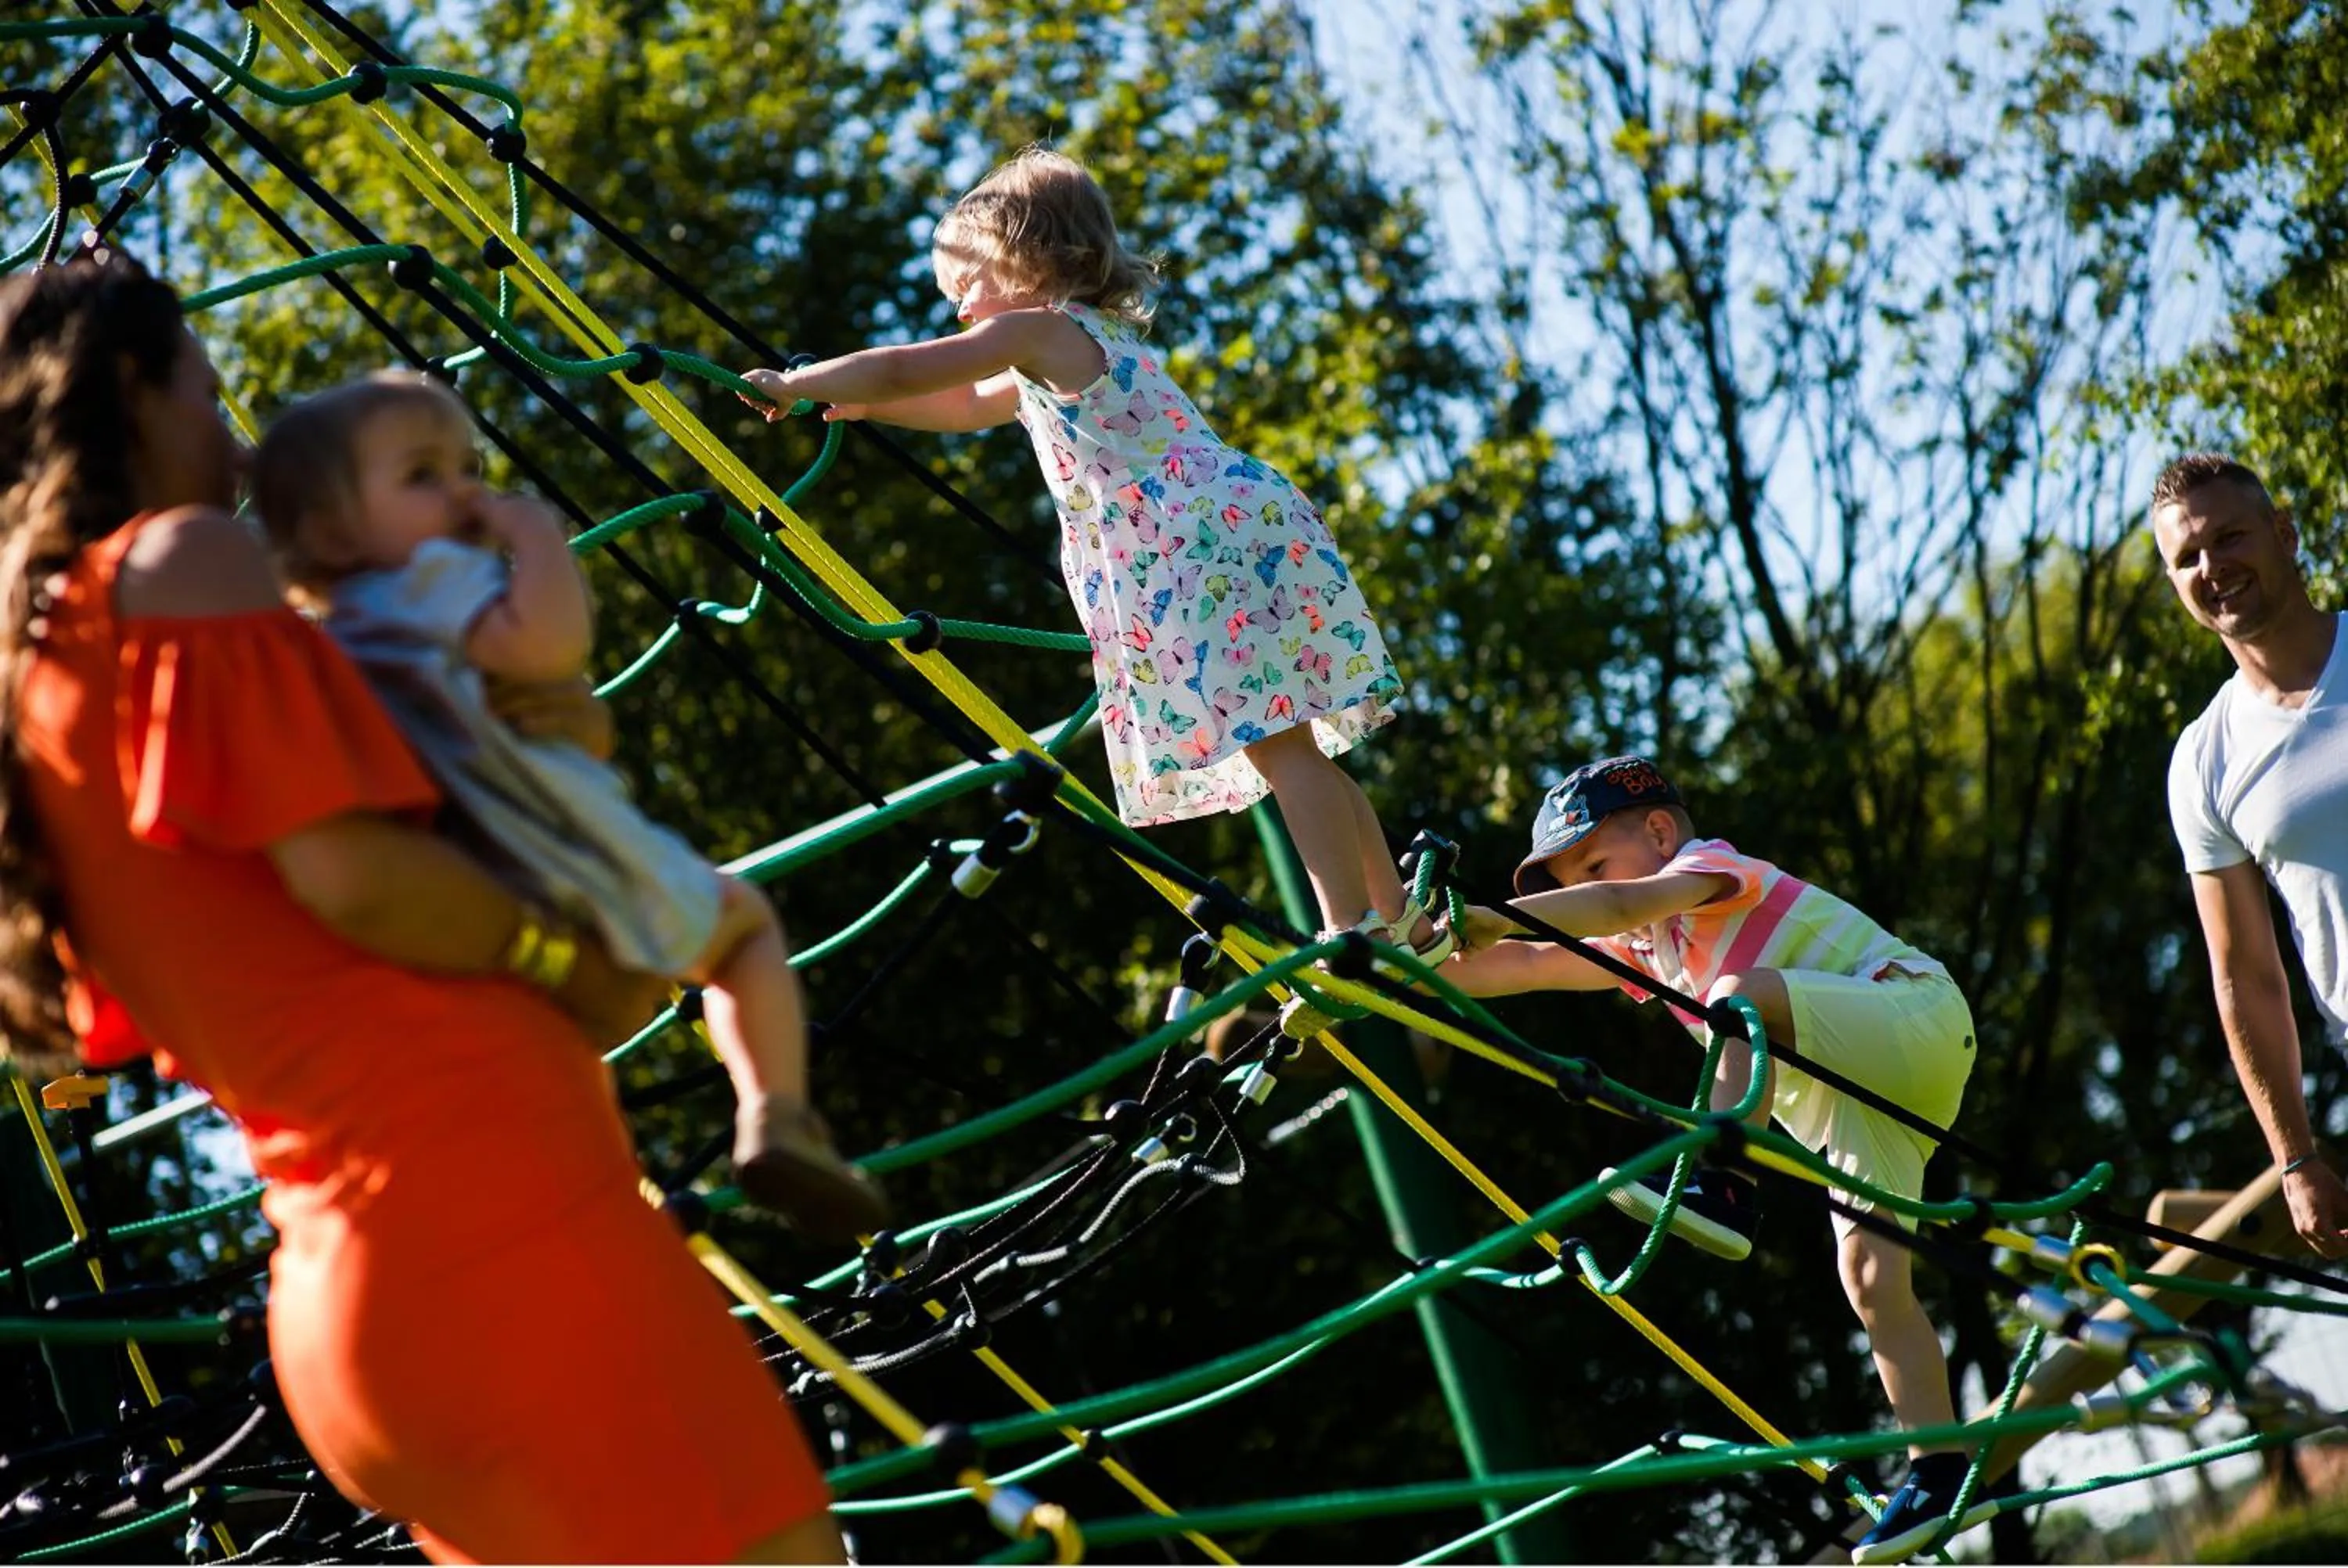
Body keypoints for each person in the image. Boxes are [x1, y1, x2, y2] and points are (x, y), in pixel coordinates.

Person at [0, 257, 845, 1564]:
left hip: (355, 1302)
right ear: (130, 387)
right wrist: (560, 956)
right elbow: (355, 874)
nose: (236, 444)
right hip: (492, 1225)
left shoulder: (42, 677)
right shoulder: (182, 558)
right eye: (209, 396)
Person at [736, 146, 1446, 1031]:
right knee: (1296, 738)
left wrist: (802, 384)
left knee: (1281, 746)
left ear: (1028, 258)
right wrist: (868, 411)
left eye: (969, 281)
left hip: (1197, 545)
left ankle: (1352, 930)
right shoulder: (1085, 344)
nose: (957, 304)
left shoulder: (1035, 331)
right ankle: (1400, 923)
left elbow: (913, 369)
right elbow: (956, 405)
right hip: (1237, 525)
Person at [248, 372, 886, 1243]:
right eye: (423, 476)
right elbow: (548, 648)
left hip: (475, 879)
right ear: (330, 531)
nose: (467, 494)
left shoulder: (334, 640)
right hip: (564, 849)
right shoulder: (429, 579)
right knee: (742, 929)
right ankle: (776, 1116)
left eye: (468, 468)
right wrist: (538, 539)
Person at [1443, 757, 1983, 1563]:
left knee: (1738, 994)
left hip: (1912, 1018)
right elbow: (1525, 965)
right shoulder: (1645, 953)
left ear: (1659, 831)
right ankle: (1939, 1470)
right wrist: (1413, 953)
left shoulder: (1710, 869)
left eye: (1590, 864)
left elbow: (1617, 904)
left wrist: (1503, 912)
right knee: (1871, 1281)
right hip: (1861, 1106)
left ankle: (1725, 1183)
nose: (1586, 890)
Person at [2155, 452, 2348, 1257]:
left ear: (2285, 533)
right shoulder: (2205, 760)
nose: (2213, 567)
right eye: (2186, 558)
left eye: (2229, 537)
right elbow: (2246, 978)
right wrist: (2296, 1155)